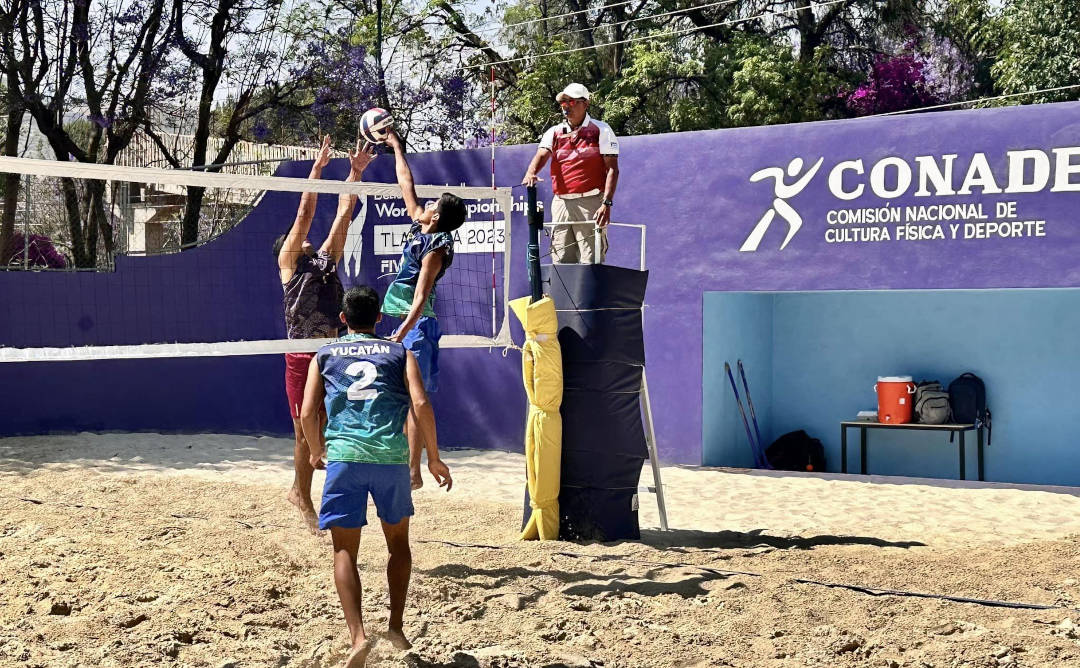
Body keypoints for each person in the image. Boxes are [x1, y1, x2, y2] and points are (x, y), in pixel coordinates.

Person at [300, 286, 453, 667]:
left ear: (342, 320)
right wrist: (433, 458)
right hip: (390, 459)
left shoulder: (325, 354)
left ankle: (357, 638)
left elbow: (306, 413)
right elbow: (420, 404)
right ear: (380, 318)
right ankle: (396, 628)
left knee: (343, 551)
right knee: (398, 545)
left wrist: (317, 451)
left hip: (345, 459)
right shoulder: (400, 352)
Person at [274, 135, 376, 533]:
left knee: (322, 433)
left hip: (331, 354)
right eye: (298, 238)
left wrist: (354, 172)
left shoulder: (325, 262)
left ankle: (303, 492)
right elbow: (304, 216)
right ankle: (301, 495)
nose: (305, 237)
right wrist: (316, 170)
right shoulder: (289, 264)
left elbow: (343, 215)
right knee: (304, 435)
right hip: (301, 355)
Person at [380, 129, 467, 490]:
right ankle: (411, 470)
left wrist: (400, 334)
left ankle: (415, 471)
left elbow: (419, 299)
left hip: (417, 326)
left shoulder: (435, 249)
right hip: (406, 324)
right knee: (406, 399)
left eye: (432, 204)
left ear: (436, 217)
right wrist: (397, 147)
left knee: (417, 399)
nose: (425, 204)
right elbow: (406, 185)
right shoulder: (423, 227)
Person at [521, 82, 620, 264]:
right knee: (561, 259)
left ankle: (590, 294)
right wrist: (531, 172)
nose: (567, 107)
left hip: (590, 202)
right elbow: (542, 154)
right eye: (563, 103)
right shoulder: (554, 132)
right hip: (561, 203)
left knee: (592, 259)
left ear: (586, 103)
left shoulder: (602, 130)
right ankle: (562, 294)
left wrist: (606, 203)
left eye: (572, 102)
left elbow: (612, 168)